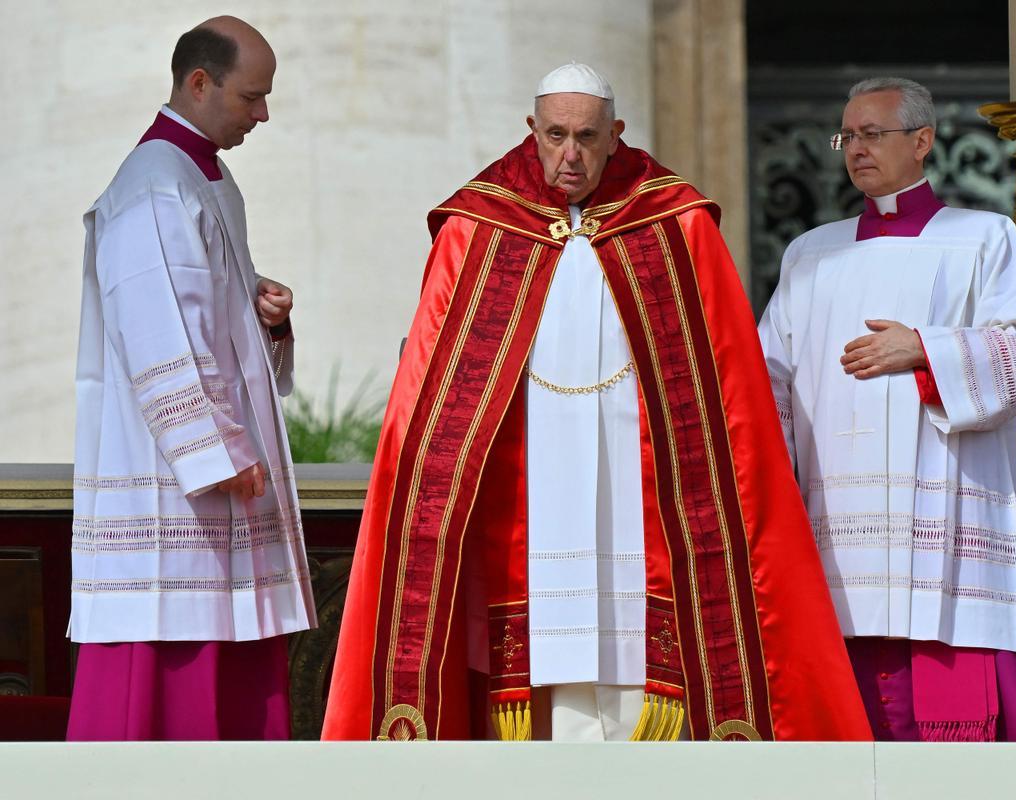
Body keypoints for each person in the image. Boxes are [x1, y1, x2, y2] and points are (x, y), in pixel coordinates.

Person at [322, 63, 870, 742]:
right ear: (532, 130)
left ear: (615, 133)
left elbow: (724, 380)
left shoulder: (674, 221)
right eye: (555, 135)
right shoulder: (481, 225)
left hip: (637, 488)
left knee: (631, 653)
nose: (570, 154)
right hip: (528, 482)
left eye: (586, 136)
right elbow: (437, 396)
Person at [759, 76, 1016, 742]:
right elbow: (766, 375)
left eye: (872, 134)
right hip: (838, 518)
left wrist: (923, 351)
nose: (855, 148)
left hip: (944, 513)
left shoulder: (983, 238)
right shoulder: (810, 254)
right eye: (847, 136)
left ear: (921, 142)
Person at [68, 16, 316, 741]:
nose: (262, 114)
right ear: (199, 83)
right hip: (183, 487)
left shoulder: (200, 175)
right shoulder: (153, 186)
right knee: (169, 673)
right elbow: (157, 336)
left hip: (213, 488)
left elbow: (198, 314)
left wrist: (261, 315)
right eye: (252, 97)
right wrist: (216, 450)